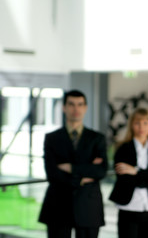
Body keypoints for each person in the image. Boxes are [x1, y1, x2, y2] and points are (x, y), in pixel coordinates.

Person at [39, 90, 108, 238]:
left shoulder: (97, 138)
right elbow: (52, 173)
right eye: (71, 104)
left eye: (80, 105)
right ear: (64, 108)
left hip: (89, 207)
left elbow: (101, 171)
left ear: (86, 108)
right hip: (58, 206)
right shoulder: (51, 138)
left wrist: (71, 168)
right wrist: (83, 177)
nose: (76, 109)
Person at [109, 108, 148, 238]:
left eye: (145, 123)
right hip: (128, 207)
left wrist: (135, 170)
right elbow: (125, 178)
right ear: (131, 125)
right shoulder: (122, 148)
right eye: (137, 123)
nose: (141, 127)